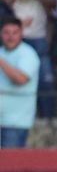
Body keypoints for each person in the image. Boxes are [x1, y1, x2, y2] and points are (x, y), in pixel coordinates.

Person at [0, 13, 37, 147]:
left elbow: (20, 79)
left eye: (15, 33)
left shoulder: (28, 54)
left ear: (21, 33)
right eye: (6, 33)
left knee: (9, 165)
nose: (10, 37)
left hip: (16, 123)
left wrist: (1, 62)